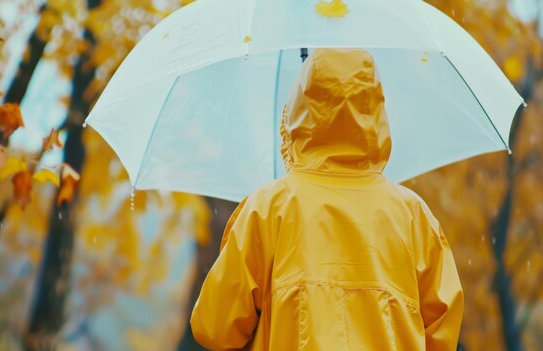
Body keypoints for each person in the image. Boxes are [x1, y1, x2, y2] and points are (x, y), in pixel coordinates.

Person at [190, 48, 464, 351]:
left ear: (300, 107)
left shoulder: (267, 210)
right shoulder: (413, 216)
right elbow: (443, 333)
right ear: (374, 107)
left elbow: (215, 328)